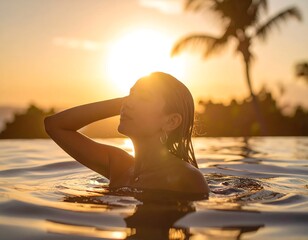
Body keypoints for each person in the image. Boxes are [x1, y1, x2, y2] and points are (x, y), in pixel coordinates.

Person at [44, 72, 209, 196]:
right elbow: (54, 125)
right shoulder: (119, 166)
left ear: (171, 122)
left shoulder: (188, 179)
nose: (128, 103)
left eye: (143, 97)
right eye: (129, 95)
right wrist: (125, 102)